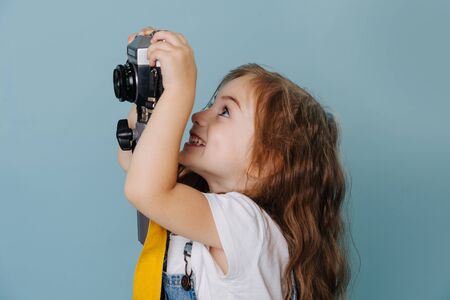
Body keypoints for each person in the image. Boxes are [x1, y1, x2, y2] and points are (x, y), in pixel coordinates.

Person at [118, 27, 351, 300]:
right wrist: (148, 92)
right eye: (211, 104)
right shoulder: (203, 205)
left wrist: (181, 87)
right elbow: (136, 163)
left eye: (225, 111)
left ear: (269, 162)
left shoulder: (249, 226)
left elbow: (144, 189)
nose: (198, 115)